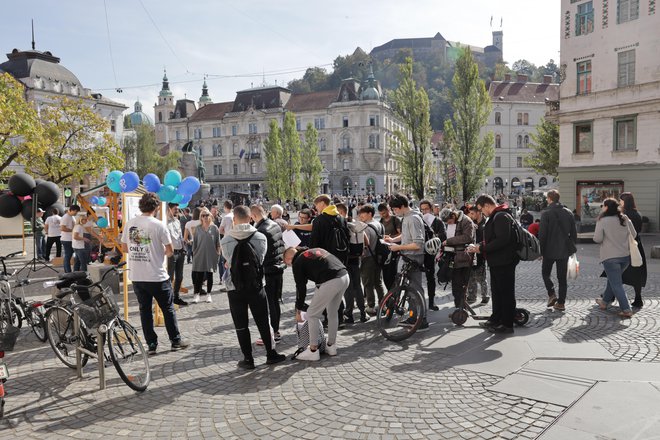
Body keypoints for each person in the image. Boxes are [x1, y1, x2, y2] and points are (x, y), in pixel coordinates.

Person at [120, 192, 190, 354]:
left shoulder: (130, 223)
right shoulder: (159, 225)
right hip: (156, 275)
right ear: (157, 207)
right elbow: (170, 251)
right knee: (167, 308)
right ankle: (175, 341)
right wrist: (156, 252)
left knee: (144, 310)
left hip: (137, 275)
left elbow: (124, 248)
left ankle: (151, 344)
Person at [221, 205, 286, 369]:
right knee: (263, 320)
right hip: (256, 285)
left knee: (241, 323)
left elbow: (228, 262)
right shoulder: (260, 237)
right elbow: (261, 259)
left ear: (234, 219)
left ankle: (248, 359)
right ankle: (271, 354)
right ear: (250, 218)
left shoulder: (226, 240)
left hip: (234, 287)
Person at [285, 247, 350, 361]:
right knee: (332, 312)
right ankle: (331, 346)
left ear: (289, 259)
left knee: (312, 314)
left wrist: (298, 309)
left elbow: (301, 288)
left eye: (286, 263)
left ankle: (313, 350)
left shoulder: (297, 262)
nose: (289, 266)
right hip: (344, 275)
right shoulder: (311, 251)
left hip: (331, 280)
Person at [468, 195, 518, 334]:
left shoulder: (500, 216)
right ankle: (496, 318)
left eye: (481, 210)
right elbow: (493, 239)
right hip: (498, 261)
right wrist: (480, 245)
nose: (482, 213)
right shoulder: (497, 215)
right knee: (497, 292)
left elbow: (502, 240)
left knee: (506, 293)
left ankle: (507, 324)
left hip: (505, 262)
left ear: (487, 205)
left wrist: (482, 248)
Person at [385, 194, 429, 330]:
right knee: (411, 290)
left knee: (414, 289)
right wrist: (393, 240)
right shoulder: (407, 217)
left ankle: (420, 319)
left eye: (394, 209)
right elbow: (406, 235)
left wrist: (398, 247)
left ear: (402, 206)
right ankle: (415, 317)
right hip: (408, 257)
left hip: (413, 258)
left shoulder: (413, 218)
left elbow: (418, 244)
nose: (393, 212)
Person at [593, 198, 638, 318]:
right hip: (625, 257)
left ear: (606, 207)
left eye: (603, 205)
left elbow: (597, 239)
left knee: (616, 283)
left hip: (610, 257)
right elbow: (634, 234)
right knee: (613, 280)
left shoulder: (602, 220)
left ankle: (626, 309)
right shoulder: (624, 218)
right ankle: (604, 302)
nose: (602, 207)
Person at [251, 204, 286, 344]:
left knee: (269, 303)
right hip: (278, 267)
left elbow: (260, 254)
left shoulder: (261, 230)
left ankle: (272, 333)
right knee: (275, 301)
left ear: (253, 216)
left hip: (269, 270)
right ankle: (275, 331)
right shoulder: (274, 224)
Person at [538, 189, 577, 311]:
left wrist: (541, 251)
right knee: (562, 278)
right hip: (564, 251)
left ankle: (552, 294)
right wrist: (570, 246)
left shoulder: (546, 213)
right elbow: (574, 234)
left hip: (549, 250)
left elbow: (542, 235)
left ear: (549, 199)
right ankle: (561, 303)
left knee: (545, 273)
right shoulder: (568, 212)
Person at [440, 207, 475, 310]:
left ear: (453, 216)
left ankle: (461, 309)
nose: (449, 224)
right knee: (455, 283)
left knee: (461, 284)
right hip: (454, 257)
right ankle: (458, 308)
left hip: (464, 258)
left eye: (450, 221)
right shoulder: (452, 221)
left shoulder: (466, 221)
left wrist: (450, 241)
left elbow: (467, 237)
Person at [339, 203, 368, 324]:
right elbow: (366, 241)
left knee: (347, 288)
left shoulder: (339, 225)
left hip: (344, 260)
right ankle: (362, 313)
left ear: (341, 212)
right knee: (357, 286)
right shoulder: (355, 224)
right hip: (356, 259)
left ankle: (349, 314)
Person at [619, 192, 646, 308]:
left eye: (621, 200)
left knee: (616, 271)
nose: (619, 202)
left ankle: (610, 295)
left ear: (625, 201)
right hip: (637, 245)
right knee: (637, 272)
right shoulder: (637, 214)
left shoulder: (625, 215)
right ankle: (638, 298)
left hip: (626, 246)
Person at [420, 199, 447, 311]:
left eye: (426, 209)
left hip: (430, 254)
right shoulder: (419, 219)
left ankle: (431, 302)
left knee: (430, 278)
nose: (424, 211)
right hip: (419, 252)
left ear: (431, 209)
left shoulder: (437, 221)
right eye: (422, 209)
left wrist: (434, 236)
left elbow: (443, 237)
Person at [359, 204, 385, 318]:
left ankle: (371, 306)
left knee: (368, 283)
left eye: (363, 213)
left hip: (368, 257)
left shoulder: (366, 227)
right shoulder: (380, 224)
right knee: (378, 282)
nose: (360, 216)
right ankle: (383, 304)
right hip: (379, 257)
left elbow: (365, 245)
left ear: (370, 214)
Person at [192, 208, 220, 303]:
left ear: (210, 216)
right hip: (199, 254)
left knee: (209, 275)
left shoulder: (214, 228)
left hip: (211, 254)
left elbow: (218, 242)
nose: (205, 217)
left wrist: (218, 253)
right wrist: (194, 252)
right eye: (203, 215)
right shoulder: (198, 228)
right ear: (200, 217)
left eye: (207, 215)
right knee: (198, 275)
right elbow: (194, 242)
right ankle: (196, 294)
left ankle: (209, 294)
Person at [166, 203, 188, 306]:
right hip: (172, 252)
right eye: (175, 209)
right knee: (170, 277)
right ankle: (168, 298)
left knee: (180, 277)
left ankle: (176, 297)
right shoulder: (164, 222)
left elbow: (180, 236)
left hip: (180, 251)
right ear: (169, 209)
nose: (177, 211)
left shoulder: (177, 221)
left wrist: (184, 248)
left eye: (177, 209)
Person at [467, 206, 489, 304]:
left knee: (481, 277)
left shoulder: (486, 224)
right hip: (472, 253)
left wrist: (479, 246)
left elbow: (487, 240)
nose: (470, 216)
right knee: (471, 277)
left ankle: (485, 296)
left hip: (481, 253)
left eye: (472, 213)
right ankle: (472, 296)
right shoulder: (472, 223)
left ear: (478, 213)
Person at [378, 202, 402, 292]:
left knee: (393, 274)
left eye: (384, 213)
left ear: (388, 210)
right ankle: (389, 294)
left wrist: (391, 237)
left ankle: (394, 294)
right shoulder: (381, 221)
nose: (382, 215)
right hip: (385, 251)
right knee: (386, 275)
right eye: (380, 214)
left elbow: (401, 234)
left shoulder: (395, 220)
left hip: (395, 250)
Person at [60, 205, 81, 273]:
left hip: (70, 239)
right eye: (76, 212)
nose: (76, 213)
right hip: (67, 240)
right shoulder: (66, 217)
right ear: (72, 210)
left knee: (70, 255)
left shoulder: (71, 217)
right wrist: (72, 230)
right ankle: (68, 272)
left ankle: (70, 271)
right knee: (68, 256)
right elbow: (62, 228)